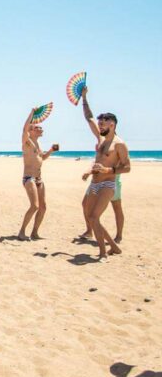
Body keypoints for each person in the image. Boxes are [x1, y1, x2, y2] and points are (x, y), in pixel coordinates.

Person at [77, 87, 130, 260]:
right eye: (99, 123)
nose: (99, 125)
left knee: (94, 216)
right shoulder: (100, 139)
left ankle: (102, 253)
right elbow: (88, 117)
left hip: (108, 184)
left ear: (112, 124)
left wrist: (109, 170)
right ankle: (114, 247)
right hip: (94, 183)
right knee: (91, 217)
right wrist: (84, 97)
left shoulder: (119, 144)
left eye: (103, 123)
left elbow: (127, 167)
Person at [17, 109, 57, 240]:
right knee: (34, 206)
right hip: (29, 178)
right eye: (38, 127)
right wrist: (32, 113)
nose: (41, 128)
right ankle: (22, 232)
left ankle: (34, 232)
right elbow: (24, 129)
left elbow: (42, 157)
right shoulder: (27, 142)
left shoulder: (38, 144)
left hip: (39, 179)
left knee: (43, 207)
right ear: (31, 131)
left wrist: (51, 150)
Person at [80, 176, 124, 243]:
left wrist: (109, 170)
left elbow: (126, 168)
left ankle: (119, 236)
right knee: (85, 204)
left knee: (117, 207)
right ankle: (89, 231)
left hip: (112, 181)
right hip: (96, 181)